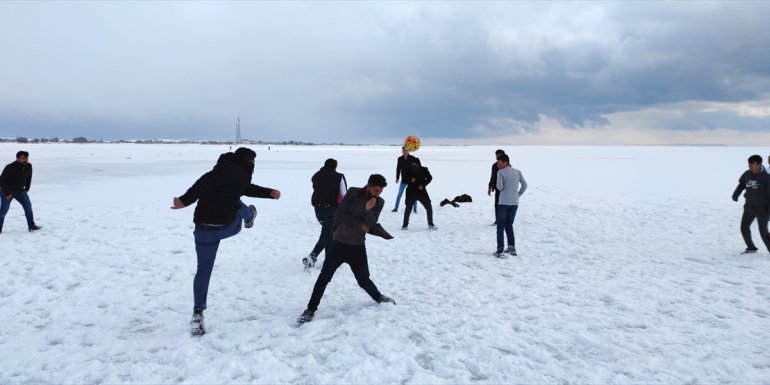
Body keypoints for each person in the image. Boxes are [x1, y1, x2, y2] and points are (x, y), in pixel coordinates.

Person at [172, 147, 281, 336]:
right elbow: (206, 181)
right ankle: (249, 216)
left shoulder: (226, 171)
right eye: (253, 162)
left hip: (203, 229)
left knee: (203, 270)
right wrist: (184, 200)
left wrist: (268, 192)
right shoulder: (233, 172)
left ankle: (198, 314)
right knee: (237, 204)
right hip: (226, 226)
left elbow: (243, 188)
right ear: (249, 162)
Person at [297, 174, 396, 326]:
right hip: (338, 243)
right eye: (376, 190)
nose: (378, 193)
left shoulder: (379, 202)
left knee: (363, 280)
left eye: (380, 191)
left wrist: (368, 211)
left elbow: (371, 223)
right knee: (324, 278)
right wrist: (360, 221)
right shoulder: (353, 193)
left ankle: (378, 297)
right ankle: (310, 310)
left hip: (357, 247)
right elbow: (340, 214)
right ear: (368, 185)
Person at [304, 158, 348, 269]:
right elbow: (344, 194)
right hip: (331, 210)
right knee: (327, 234)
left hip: (318, 210)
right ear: (335, 167)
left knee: (330, 233)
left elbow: (317, 188)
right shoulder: (339, 177)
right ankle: (312, 256)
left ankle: (329, 259)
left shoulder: (316, 176)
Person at [732, 154, 770, 254]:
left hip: (762, 209)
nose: (749, 167)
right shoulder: (747, 174)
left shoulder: (766, 178)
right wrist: (736, 194)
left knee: (763, 231)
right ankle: (751, 247)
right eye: (749, 164)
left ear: (759, 164)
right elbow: (741, 184)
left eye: (752, 164)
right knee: (744, 227)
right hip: (749, 207)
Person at [494, 153, 527, 257]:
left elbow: (499, 187)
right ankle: (511, 248)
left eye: (499, 162)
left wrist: (498, 179)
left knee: (500, 227)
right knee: (509, 225)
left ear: (505, 162)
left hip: (503, 202)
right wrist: (518, 194)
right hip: (514, 203)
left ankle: (500, 250)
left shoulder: (500, 172)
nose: (497, 164)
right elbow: (525, 185)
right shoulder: (517, 171)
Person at [0, 151, 42, 233]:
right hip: (8, 191)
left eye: (26, 158)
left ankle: (31, 226)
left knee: (28, 207)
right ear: (17, 158)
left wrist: (27, 187)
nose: (25, 160)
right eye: (23, 158)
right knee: (3, 210)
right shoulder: (10, 167)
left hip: (20, 191)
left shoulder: (28, 166)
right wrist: (7, 193)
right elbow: (1, 181)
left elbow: (29, 177)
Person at [401, 162, 437, 230]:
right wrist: (410, 180)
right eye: (412, 164)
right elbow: (403, 179)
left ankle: (430, 223)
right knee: (408, 208)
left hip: (421, 191)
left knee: (428, 206)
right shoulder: (408, 170)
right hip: (411, 191)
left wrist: (423, 185)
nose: (413, 165)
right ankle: (405, 225)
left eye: (415, 164)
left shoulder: (424, 169)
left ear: (418, 164)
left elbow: (429, 178)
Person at [392, 146, 420, 213]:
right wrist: (397, 178)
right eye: (404, 150)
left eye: (406, 150)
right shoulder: (400, 159)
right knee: (399, 194)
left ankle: (415, 209)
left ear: (408, 151)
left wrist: (415, 178)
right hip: (403, 180)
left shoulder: (413, 158)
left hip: (411, 181)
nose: (405, 152)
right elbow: (398, 168)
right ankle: (396, 208)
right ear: (402, 151)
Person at [487, 149, 505, 225]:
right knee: (497, 204)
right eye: (496, 155)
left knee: (504, 205)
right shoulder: (494, 165)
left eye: (499, 155)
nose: (497, 157)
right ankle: (497, 220)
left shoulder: (507, 165)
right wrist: (490, 187)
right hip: (497, 188)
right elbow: (492, 177)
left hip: (505, 189)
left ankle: (504, 220)